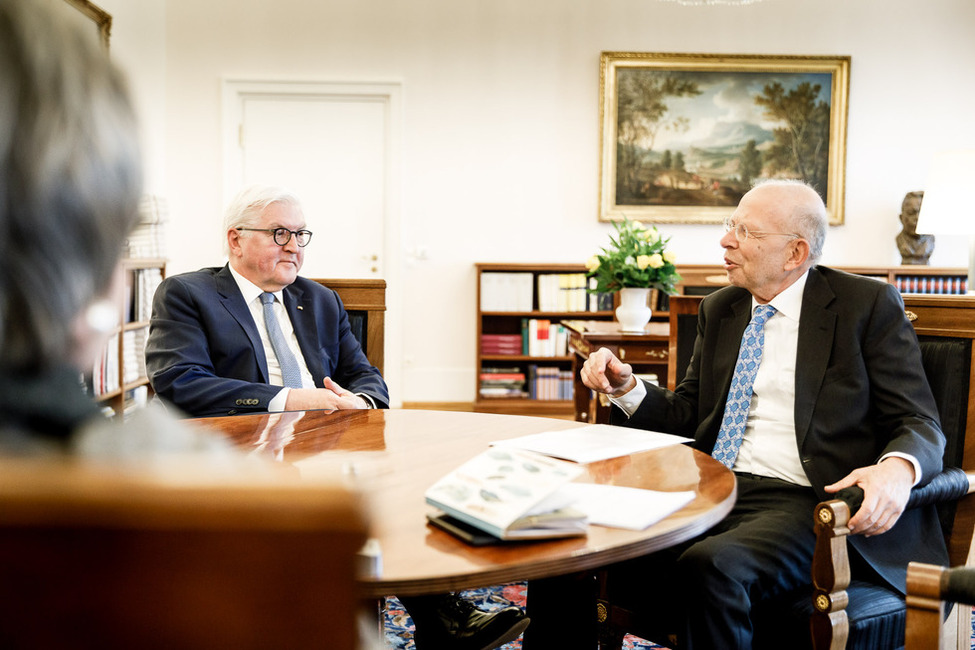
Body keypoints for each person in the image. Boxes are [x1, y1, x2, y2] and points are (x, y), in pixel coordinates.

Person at [527, 180, 947, 649]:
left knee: (711, 565)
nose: (726, 241)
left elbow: (919, 421)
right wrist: (627, 387)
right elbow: (689, 413)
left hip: (807, 499)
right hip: (711, 485)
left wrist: (897, 469)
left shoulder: (863, 306)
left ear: (795, 253)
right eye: (731, 226)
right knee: (563, 534)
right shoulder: (721, 308)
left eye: (745, 231)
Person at [145, 186, 529, 649]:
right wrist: (297, 399)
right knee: (340, 503)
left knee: (401, 487)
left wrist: (360, 405)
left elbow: (366, 377)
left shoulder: (320, 299)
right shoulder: (188, 293)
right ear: (235, 240)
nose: (293, 245)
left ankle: (441, 614)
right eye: (279, 233)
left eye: (301, 234)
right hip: (240, 446)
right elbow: (180, 380)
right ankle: (440, 618)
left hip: (329, 441)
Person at [896, 190, 934, 265]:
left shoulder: (931, 240)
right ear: (901, 218)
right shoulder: (900, 240)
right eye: (911, 213)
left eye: (922, 213)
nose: (917, 218)